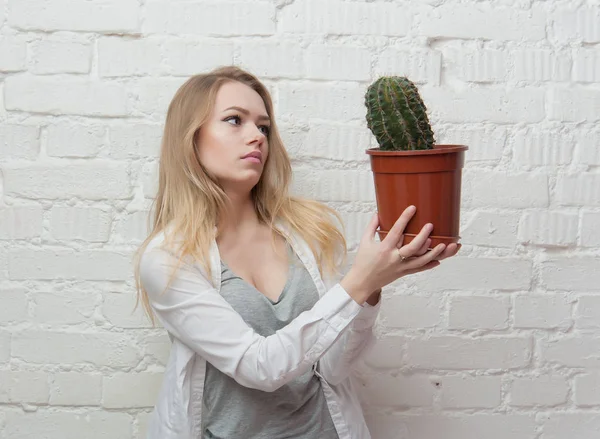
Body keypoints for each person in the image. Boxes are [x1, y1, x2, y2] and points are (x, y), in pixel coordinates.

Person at [134, 65, 458, 439]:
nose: (256, 136)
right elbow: (259, 367)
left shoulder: (302, 231)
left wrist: (372, 287)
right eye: (234, 120)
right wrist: (358, 281)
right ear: (190, 137)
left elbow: (332, 367)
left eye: (263, 127)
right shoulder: (167, 259)